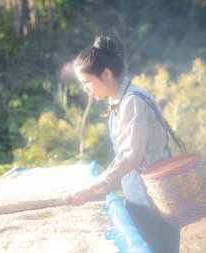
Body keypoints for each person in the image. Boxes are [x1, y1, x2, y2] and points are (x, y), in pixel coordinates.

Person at [63, 35, 180, 253]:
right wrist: (106, 185)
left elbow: (130, 156)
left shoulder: (132, 101)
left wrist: (91, 187)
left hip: (154, 203)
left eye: (87, 82)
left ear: (105, 73)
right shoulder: (120, 101)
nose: (85, 89)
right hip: (142, 198)